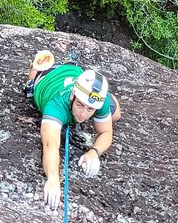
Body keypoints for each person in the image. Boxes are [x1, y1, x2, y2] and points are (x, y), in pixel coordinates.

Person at [24, 50, 122, 210]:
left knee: (116, 114)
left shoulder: (98, 101)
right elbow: (50, 144)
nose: (83, 114)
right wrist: (53, 179)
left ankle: (69, 64)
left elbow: (106, 132)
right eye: (79, 105)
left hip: (75, 74)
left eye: (90, 109)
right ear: (72, 96)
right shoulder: (55, 106)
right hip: (47, 78)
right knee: (32, 80)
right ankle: (39, 67)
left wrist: (94, 151)